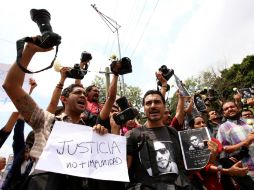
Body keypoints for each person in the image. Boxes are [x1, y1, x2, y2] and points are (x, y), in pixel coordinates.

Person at [2, 37, 108, 190]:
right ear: (64, 99)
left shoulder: (90, 130)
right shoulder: (44, 120)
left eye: (85, 94)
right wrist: (29, 50)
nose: (84, 96)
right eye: (78, 92)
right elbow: (11, 85)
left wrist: (101, 134)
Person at [125, 90, 193, 190]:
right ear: (144, 108)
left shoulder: (173, 132)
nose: (153, 106)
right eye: (148, 103)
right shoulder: (132, 135)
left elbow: (185, 166)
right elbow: (123, 170)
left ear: (164, 106)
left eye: (157, 102)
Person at [217, 101, 254, 179]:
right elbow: (223, 149)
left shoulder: (248, 122)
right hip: (247, 169)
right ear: (224, 113)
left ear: (238, 108)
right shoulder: (223, 128)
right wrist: (245, 142)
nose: (230, 109)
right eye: (226, 109)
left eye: (232, 107)